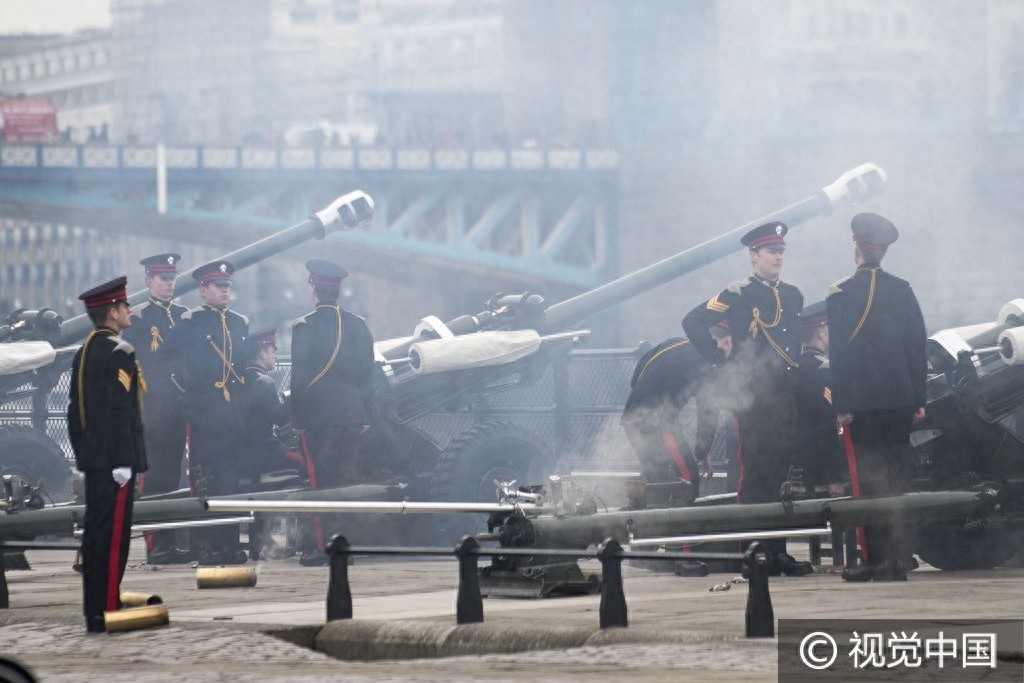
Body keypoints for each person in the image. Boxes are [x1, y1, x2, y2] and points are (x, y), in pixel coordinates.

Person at [682, 221, 811, 577]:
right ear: (753, 255)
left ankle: (778, 552)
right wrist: (718, 357)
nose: (778, 258)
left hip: (783, 394)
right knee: (753, 479)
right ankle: (754, 554)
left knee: (780, 478)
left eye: (781, 252)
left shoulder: (794, 294)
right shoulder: (737, 293)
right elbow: (692, 321)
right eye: (771, 252)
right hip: (752, 396)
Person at [826, 213, 927, 582]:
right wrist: (919, 398)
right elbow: (917, 347)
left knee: (866, 481)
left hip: (862, 403)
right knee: (896, 478)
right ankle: (900, 557)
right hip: (901, 398)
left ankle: (875, 558)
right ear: (882, 252)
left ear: (857, 246)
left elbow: (839, 354)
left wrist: (841, 405)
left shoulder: (840, 293)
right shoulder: (903, 289)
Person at [67, 276, 148, 633]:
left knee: (95, 534)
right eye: (125, 305)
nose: (130, 310)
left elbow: (75, 413)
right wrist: (123, 460)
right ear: (113, 312)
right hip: (115, 461)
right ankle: (108, 608)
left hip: (94, 459)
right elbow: (120, 412)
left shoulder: (82, 352)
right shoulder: (120, 352)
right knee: (113, 536)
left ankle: (94, 608)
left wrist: (86, 455)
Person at [290, 259, 376, 566]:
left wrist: (297, 420)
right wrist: (366, 415)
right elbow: (368, 376)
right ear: (337, 290)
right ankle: (345, 547)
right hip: (352, 415)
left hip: (318, 418)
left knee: (320, 484)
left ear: (314, 289)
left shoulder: (304, 327)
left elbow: (298, 379)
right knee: (347, 482)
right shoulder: (358, 325)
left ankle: (323, 547)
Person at [164, 260, 249, 565]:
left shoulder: (240, 322)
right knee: (205, 482)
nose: (225, 292)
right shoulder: (191, 322)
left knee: (231, 482)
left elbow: (243, 369)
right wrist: (190, 397)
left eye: (227, 286)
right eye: (219, 287)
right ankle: (208, 546)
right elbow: (168, 363)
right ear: (203, 290)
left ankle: (230, 544)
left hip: (231, 416)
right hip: (203, 415)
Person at [122, 253, 190, 564]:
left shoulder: (183, 314)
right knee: (154, 477)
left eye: (172, 279)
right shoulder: (138, 318)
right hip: (153, 408)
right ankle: (155, 544)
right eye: (163, 279)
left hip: (178, 407)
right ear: (149, 281)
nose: (169, 284)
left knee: (174, 476)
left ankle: (171, 540)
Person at [621, 324, 732, 504]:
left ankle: (651, 526)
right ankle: (685, 527)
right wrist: (703, 452)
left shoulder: (675, 343)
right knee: (688, 476)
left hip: (631, 419)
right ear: (727, 341)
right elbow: (708, 411)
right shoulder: (708, 362)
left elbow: (638, 372)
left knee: (658, 480)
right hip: (659, 422)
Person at [792, 301, 846, 497]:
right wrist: (834, 476)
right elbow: (827, 425)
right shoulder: (825, 371)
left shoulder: (790, 370)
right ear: (821, 333)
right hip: (820, 472)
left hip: (794, 470)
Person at [241, 328, 290, 481]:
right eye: (272, 350)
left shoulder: (241, 379)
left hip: (245, 451)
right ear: (262, 353)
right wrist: (293, 399)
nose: (275, 355)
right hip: (266, 450)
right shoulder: (264, 382)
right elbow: (280, 419)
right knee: (306, 460)